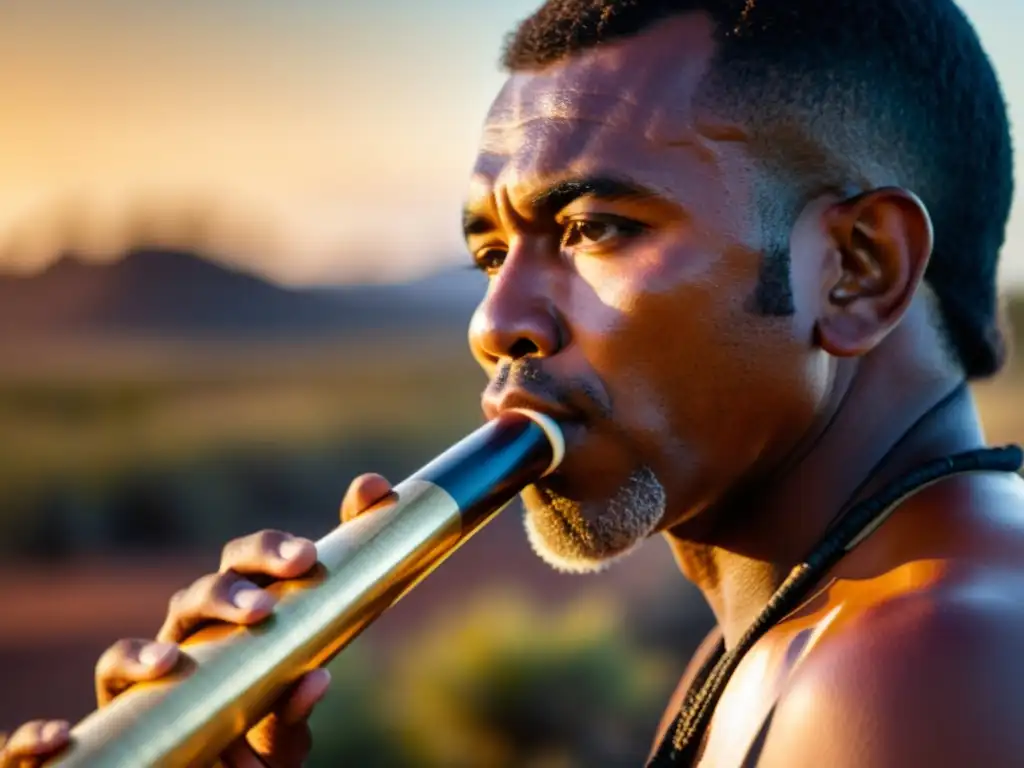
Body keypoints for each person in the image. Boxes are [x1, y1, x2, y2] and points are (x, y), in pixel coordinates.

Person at [4, 0, 1022, 765]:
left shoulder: (923, 658)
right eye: (492, 250)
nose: (498, 322)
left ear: (856, 269)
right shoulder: (781, 629)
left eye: (594, 230)